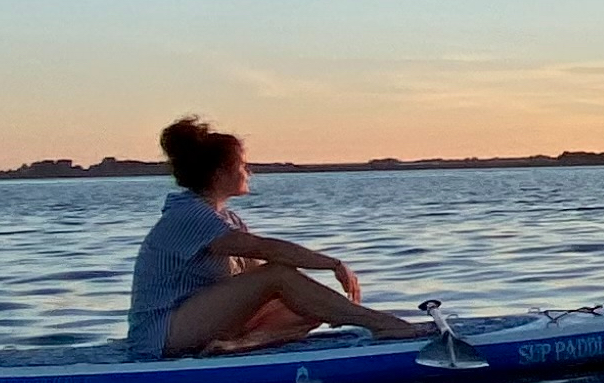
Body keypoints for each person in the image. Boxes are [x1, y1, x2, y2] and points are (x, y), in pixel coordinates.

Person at [126, 117, 424, 359]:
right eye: (242, 166)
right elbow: (265, 252)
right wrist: (332, 264)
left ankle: (239, 346)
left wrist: (324, 304)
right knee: (280, 276)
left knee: (307, 300)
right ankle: (382, 325)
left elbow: (257, 274)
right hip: (159, 336)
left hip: (195, 325)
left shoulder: (226, 219)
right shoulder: (187, 215)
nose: (248, 172)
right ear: (219, 173)